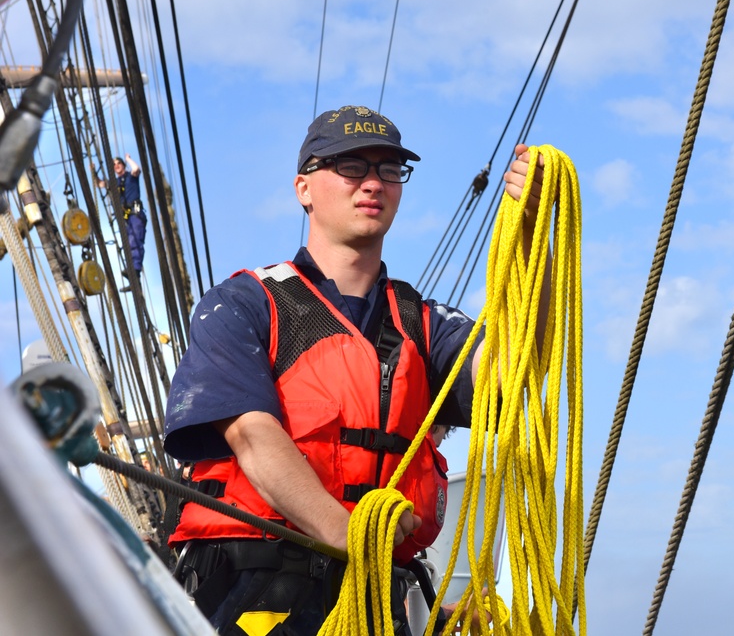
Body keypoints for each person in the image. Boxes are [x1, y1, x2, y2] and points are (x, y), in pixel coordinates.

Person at [163, 105, 547, 636]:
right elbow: (253, 437)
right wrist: (351, 537)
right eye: (350, 167)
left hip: (378, 603)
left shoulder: (423, 322)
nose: (373, 183)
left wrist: (534, 241)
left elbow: (513, 368)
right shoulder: (245, 303)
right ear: (304, 188)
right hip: (252, 590)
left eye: (389, 170)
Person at [99, 154, 145, 289]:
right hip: (125, 218)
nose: (116, 166)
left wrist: (128, 159)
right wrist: (92, 172)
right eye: (114, 165)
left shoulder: (132, 176)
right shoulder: (114, 183)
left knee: (134, 241)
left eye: (119, 163)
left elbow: (136, 168)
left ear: (123, 165)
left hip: (135, 214)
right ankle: (134, 278)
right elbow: (100, 184)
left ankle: (135, 270)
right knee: (127, 245)